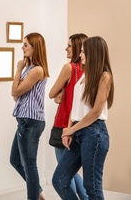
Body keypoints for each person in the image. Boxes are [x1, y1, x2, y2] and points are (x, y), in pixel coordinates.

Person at [52, 36, 114, 200]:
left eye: (83, 52)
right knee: (59, 180)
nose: (80, 55)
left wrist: (71, 129)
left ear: (93, 53)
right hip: (78, 131)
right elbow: (75, 106)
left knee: (92, 187)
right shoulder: (83, 76)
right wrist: (68, 130)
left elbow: (95, 112)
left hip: (94, 133)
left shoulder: (104, 77)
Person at [48, 34, 88, 200]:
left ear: (78, 48)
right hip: (82, 125)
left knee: (63, 173)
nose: (66, 48)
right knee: (71, 171)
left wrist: (60, 95)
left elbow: (52, 94)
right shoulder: (91, 69)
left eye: (70, 46)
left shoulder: (70, 68)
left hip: (64, 124)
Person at [10, 32, 49, 200]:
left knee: (30, 165)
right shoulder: (30, 69)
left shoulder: (37, 70)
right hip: (25, 121)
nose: (22, 47)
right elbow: (16, 96)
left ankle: (34, 197)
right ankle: (38, 193)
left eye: (25, 44)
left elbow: (15, 91)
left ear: (35, 47)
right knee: (16, 160)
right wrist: (21, 72)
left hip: (30, 122)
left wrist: (18, 70)